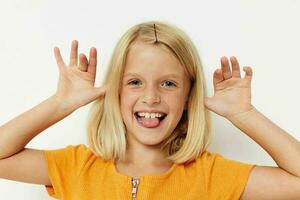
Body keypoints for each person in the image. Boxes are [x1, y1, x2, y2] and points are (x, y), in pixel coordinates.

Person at [0, 21, 299, 200]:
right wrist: (59, 104)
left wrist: (244, 115)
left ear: (188, 97)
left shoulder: (212, 175)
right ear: (115, 91)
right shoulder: (76, 167)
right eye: (134, 82)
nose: (151, 97)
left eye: (168, 83)